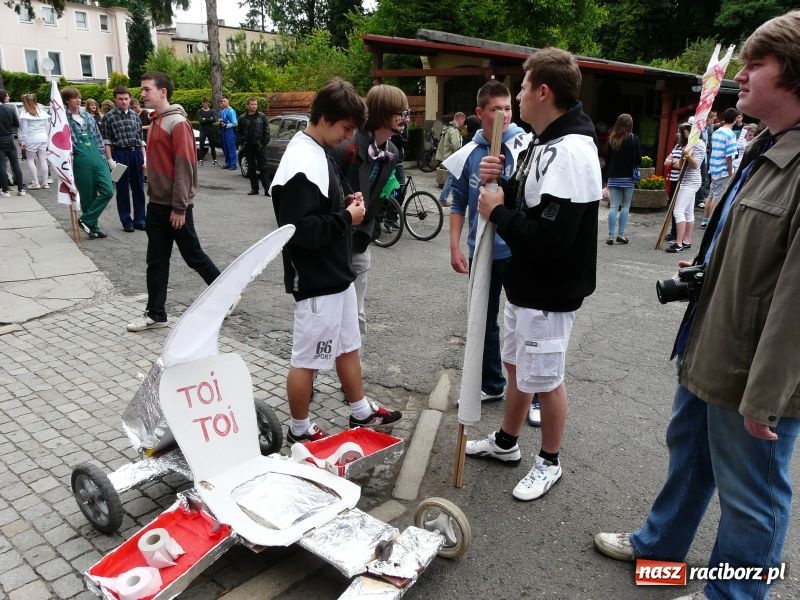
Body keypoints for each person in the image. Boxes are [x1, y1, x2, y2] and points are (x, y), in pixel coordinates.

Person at [594, 12, 800, 600]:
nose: (741, 75)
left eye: (756, 64)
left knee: (753, 500)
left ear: (794, 75)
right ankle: (661, 552)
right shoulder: (768, 145)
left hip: (753, 373)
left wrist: (768, 394)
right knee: (689, 454)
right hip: (712, 344)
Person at [467, 48, 602, 501]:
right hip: (525, 285)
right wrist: (499, 180)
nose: (518, 97)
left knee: (546, 378)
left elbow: (551, 239)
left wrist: (499, 212)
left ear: (544, 91)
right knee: (517, 367)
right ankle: (506, 442)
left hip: (549, 289)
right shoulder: (543, 142)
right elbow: (526, 203)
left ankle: (550, 461)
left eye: (523, 87)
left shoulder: (571, 151)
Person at [270, 78, 403, 444]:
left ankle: (360, 409)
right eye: (345, 128)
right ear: (325, 118)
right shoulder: (300, 161)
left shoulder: (316, 149)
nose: (348, 138)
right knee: (307, 359)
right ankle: (299, 430)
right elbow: (298, 230)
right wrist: (348, 218)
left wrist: (346, 204)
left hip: (336, 271)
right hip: (315, 277)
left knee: (347, 343)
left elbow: (319, 210)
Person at [444, 80, 532, 407]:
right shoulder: (468, 152)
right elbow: (457, 202)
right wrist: (455, 246)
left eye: (508, 108)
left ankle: (534, 392)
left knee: (526, 322)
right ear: (480, 113)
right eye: (496, 110)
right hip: (481, 251)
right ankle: (493, 383)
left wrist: (502, 182)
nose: (505, 115)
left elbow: (531, 201)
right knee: (482, 319)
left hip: (518, 250)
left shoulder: (526, 146)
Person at [126, 72, 223, 333]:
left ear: (163, 92)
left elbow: (185, 166)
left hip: (174, 207)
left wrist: (180, 207)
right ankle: (156, 314)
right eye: (142, 90)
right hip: (155, 204)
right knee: (156, 261)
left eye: (147, 90)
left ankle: (227, 295)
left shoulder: (177, 123)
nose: (142, 94)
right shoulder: (154, 120)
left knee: (194, 257)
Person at [335, 84, 408, 341]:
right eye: (400, 112)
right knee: (330, 315)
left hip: (360, 242)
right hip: (335, 239)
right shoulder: (349, 144)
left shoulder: (393, 152)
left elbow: (379, 198)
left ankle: (352, 377)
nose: (405, 118)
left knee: (357, 314)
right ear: (382, 112)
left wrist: (370, 229)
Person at [61, 87, 113, 238]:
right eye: (74, 97)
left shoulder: (88, 116)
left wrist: (103, 157)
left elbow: (97, 137)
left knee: (108, 190)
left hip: (96, 156)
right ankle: (93, 228)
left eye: (79, 97)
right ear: (67, 101)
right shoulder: (64, 119)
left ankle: (85, 220)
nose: (78, 100)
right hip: (80, 159)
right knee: (87, 196)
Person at [101, 85, 147, 232]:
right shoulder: (109, 117)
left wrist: (144, 157)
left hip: (136, 154)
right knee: (122, 189)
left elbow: (140, 139)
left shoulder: (135, 116)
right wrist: (110, 160)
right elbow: (106, 141)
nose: (124, 102)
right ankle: (126, 221)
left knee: (139, 187)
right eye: (120, 99)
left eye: (126, 99)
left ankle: (140, 220)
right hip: (119, 155)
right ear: (115, 99)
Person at [665, 123, 705, 253]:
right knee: (688, 212)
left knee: (678, 211)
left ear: (687, 132)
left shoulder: (698, 143)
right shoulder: (687, 145)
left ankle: (678, 243)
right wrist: (683, 156)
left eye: (680, 132)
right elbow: (682, 165)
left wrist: (687, 155)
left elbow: (695, 165)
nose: (678, 134)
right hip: (686, 180)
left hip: (691, 181)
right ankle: (686, 241)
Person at [602, 113, 640, 245]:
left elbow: (608, 160)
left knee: (613, 206)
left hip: (613, 177)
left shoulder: (612, 139)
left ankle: (610, 236)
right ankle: (621, 235)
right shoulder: (634, 139)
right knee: (625, 206)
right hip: (628, 177)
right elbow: (638, 159)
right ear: (630, 125)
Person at [702, 107, 739, 228]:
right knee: (717, 196)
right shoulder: (731, 134)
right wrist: (730, 172)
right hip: (722, 169)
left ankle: (705, 219)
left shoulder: (717, 131)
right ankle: (712, 222)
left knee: (711, 195)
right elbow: (729, 157)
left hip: (713, 167)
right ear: (734, 119)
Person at [237, 97, 270, 195]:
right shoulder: (242, 118)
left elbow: (267, 131)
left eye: (255, 104)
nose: (254, 106)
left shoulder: (262, 116)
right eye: (252, 104)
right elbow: (238, 132)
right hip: (248, 146)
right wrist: (242, 143)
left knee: (263, 167)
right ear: (248, 105)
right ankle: (254, 189)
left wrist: (263, 144)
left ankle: (267, 190)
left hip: (259, 145)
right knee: (251, 168)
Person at [18, 93, 50, 190]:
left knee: (31, 160)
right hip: (43, 137)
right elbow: (47, 127)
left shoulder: (24, 113)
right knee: (43, 160)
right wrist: (47, 137)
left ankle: (36, 182)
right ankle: (45, 182)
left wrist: (23, 143)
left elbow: (24, 130)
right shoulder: (41, 112)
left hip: (31, 138)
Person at [0, 90, 26, 197]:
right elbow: (17, 124)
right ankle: (21, 189)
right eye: (7, 96)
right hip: (9, 138)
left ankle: (5, 190)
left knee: (2, 165)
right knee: (15, 164)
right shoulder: (10, 109)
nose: (9, 97)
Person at [436, 111, 466, 206]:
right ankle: (443, 199)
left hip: (447, 157)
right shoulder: (454, 130)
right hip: (452, 158)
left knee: (452, 178)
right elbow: (456, 145)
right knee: (451, 179)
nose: (463, 124)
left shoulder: (448, 128)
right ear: (460, 119)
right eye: (463, 121)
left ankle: (446, 198)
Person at [217, 96, 238, 170]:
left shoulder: (231, 111)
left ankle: (233, 164)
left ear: (228, 102)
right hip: (224, 131)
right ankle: (227, 163)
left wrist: (226, 125)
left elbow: (235, 123)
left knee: (231, 148)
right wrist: (220, 121)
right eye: (222, 101)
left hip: (230, 132)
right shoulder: (223, 111)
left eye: (224, 101)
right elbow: (225, 120)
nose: (222, 103)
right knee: (225, 147)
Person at [197, 97, 218, 167]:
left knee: (212, 145)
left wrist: (205, 119)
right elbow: (201, 121)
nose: (205, 104)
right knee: (201, 145)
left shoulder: (212, 111)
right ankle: (201, 160)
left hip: (210, 130)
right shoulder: (199, 111)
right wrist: (209, 119)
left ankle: (214, 160)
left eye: (207, 102)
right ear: (202, 103)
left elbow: (214, 120)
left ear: (209, 103)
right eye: (204, 102)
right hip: (203, 130)